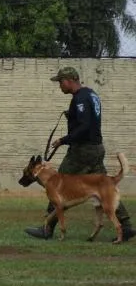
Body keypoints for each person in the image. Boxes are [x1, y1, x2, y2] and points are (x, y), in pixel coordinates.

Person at [25, 66, 134, 241]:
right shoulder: (91, 94)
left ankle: (47, 227)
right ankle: (126, 226)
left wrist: (64, 140)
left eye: (60, 82)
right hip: (97, 148)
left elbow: (84, 126)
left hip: (82, 150)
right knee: (106, 186)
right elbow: (88, 120)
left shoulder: (80, 98)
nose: (59, 86)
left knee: (55, 182)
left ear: (68, 81)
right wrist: (72, 116)